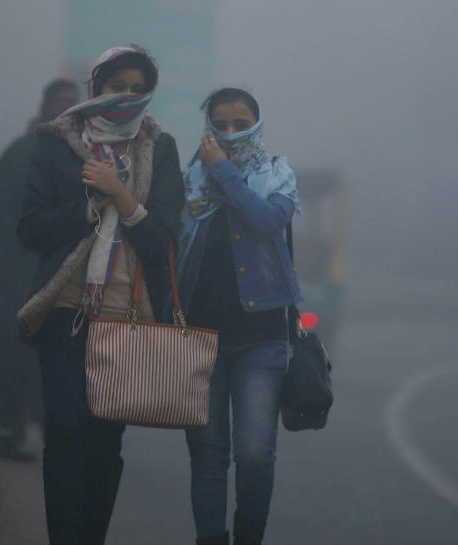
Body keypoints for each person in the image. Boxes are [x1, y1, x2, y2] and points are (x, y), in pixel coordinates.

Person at [16, 46, 184, 545]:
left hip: (124, 318)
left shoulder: (160, 147)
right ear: (96, 89)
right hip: (64, 311)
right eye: (118, 86)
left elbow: (164, 243)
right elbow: (30, 229)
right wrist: (90, 207)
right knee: (64, 430)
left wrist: (122, 196)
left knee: (103, 442)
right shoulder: (56, 143)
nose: (128, 96)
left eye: (138, 88)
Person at [176, 88, 302, 545]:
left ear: (258, 124)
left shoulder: (277, 176)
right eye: (221, 124)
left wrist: (223, 172)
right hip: (198, 337)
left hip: (261, 338)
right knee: (207, 455)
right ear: (209, 127)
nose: (230, 133)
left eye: (241, 124)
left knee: (254, 454)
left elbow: (266, 221)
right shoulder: (189, 181)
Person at [0, 78, 79, 461]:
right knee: (12, 351)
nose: (63, 108)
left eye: (70, 102)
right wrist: (7, 254)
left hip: (64, 277)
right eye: (58, 101)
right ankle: (9, 430)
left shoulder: (86, 159)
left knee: (58, 356)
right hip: (16, 275)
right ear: (45, 106)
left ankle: (54, 432)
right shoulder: (20, 153)